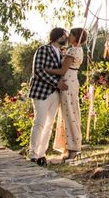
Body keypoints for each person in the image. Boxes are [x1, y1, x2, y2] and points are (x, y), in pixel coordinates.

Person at [28, 27, 69, 166]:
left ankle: (41, 154)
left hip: (55, 94)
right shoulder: (43, 49)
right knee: (39, 122)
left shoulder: (61, 52)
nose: (67, 38)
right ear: (58, 36)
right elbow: (38, 70)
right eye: (65, 35)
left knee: (49, 125)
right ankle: (33, 154)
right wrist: (56, 83)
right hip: (42, 91)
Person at [46, 27, 87, 161]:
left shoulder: (73, 50)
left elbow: (63, 70)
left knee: (70, 115)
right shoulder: (78, 50)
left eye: (71, 35)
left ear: (76, 37)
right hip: (72, 82)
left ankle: (74, 149)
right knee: (70, 114)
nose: (68, 37)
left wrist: (47, 70)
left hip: (68, 84)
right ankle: (70, 148)